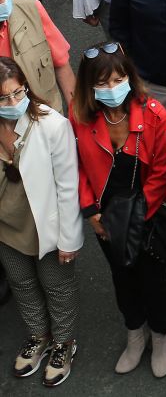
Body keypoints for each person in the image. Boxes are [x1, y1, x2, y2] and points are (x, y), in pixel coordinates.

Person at [69, 44, 166, 379]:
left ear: (130, 76)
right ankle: (135, 333)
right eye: (103, 82)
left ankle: (161, 337)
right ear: (89, 86)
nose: (113, 88)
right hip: (105, 218)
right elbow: (78, 168)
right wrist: (91, 213)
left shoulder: (156, 115)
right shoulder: (79, 116)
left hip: (147, 213)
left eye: (119, 78)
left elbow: (162, 171)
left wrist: (136, 218)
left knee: (152, 277)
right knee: (121, 276)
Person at [0, 58, 80, 387]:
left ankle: (63, 343)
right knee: (21, 284)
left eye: (18, 92)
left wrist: (68, 239)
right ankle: (38, 335)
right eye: (3, 99)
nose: (14, 103)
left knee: (57, 286)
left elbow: (67, 187)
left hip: (43, 225)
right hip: (6, 228)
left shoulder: (52, 125)